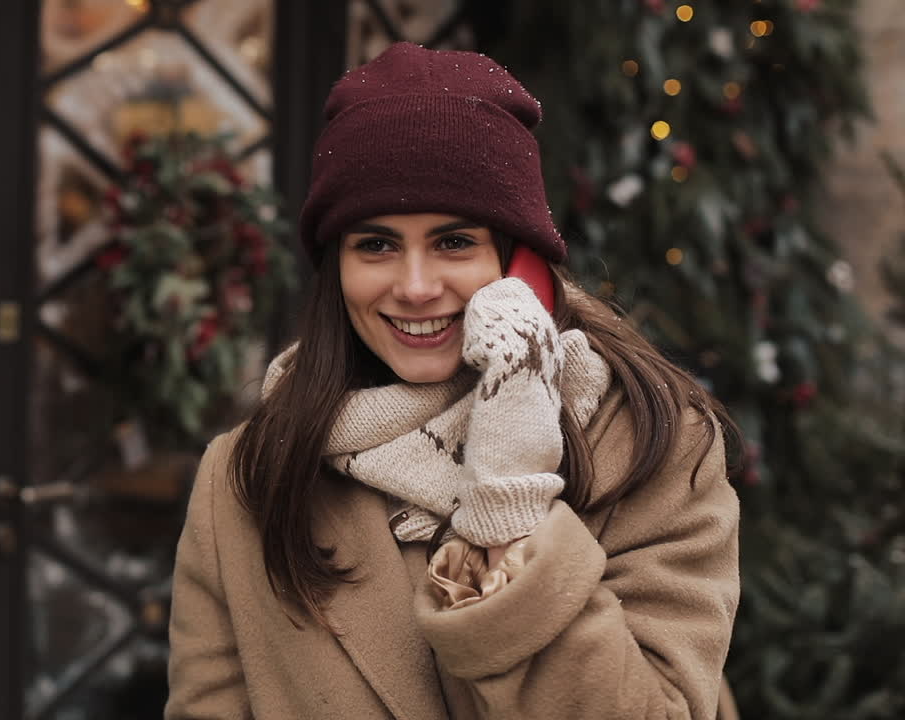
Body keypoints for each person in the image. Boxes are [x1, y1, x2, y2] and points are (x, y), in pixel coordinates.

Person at [165, 42, 740, 720]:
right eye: (375, 244)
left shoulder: (651, 444)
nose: (415, 287)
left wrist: (509, 507)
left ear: (519, 262)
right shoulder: (246, 477)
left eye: (455, 242)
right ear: (335, 268)